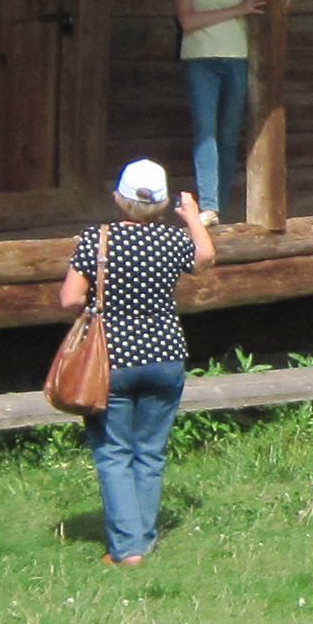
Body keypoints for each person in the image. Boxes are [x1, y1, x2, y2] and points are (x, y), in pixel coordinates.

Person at [58, 157, 219, 567]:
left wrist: (96, 308)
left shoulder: (98, 238)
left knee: (113, 453)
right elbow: (205, 258)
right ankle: (141, 539)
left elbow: (70, 299)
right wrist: (193, 216)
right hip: (166, 357)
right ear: (164, 204)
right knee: (150, 451)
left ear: (119, 198)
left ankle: (128, 549)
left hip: (111, 359)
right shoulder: (172, 240)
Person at [166, 0, 293, 220]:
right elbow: (188, 20)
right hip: (200, 60)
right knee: (205, 131)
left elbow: (266, 10)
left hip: (237, 59)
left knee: (227, 134)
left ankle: (216, 205)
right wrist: (239, 10)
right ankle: (209, 205)